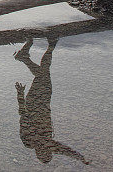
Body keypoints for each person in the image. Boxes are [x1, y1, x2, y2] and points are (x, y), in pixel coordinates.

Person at [14, 37, 90, 165]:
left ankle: (47, 48)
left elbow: (23, 116)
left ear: (39, 152)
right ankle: (27, 56)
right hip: (42, 103)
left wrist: (20, 95)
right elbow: (65, 151)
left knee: (43, 75)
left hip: (36, 102)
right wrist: (80, 158)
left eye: (45, 151)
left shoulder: (29, 141)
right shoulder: (46, 142)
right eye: (48, 151)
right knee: (43, 75)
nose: (48, 148)